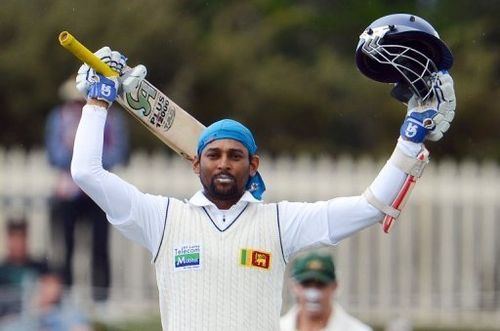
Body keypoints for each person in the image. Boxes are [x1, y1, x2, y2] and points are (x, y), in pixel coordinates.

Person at [69, 14, 456, 330]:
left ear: (253, 165)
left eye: (235, 156)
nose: (223, 163)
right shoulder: (162, 219)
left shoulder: (279, 224)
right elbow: (86, 172)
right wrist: (96, 104)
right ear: (195, 163)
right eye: (213, 154)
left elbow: (370, 207)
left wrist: (409, 140)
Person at [45, 76, 129, 301]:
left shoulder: (112, 120)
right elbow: (53, 154)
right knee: (66, 248)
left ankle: (101, 299)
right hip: (67, 193)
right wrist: (76, 155)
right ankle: (65, 299)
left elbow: (118, 153)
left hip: (98, 193)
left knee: (100, 248)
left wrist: (89, 156)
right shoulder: (58, 119)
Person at [280, 251, 372, 331]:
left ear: (335, 286)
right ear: (293, 286)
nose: (313, 294)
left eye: (320, 284)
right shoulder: (275, 327)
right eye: (306, 284)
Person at [0, 268, 94, 331]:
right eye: (47, 285)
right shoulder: (27, 311)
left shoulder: (67, 313)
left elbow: (81, 327)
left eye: (55, 286)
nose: (52, 291)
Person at [0, 218, 48, 319]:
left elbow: (52, 287)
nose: (18, 243)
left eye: (21, 237)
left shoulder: (40, 267)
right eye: (14, 238)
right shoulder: (2, 271)